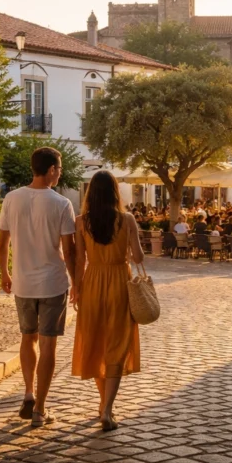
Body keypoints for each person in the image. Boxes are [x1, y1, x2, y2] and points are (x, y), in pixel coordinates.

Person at [0, 147, 75, 427]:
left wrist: (5, 272)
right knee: (48, 345)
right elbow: (69, 249)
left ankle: (28, 393)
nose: (60, 174)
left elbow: (3, 241)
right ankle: (40, 410)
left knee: (27, 338)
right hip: (53, 283)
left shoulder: (12, 198)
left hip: (23, 283)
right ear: (52, 170)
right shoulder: (61, 204)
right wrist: (76, 282)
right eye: (60, 169)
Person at [71, 170, 144, 432]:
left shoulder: (81, 222)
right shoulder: (127, 219)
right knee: (117, 345)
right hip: (119, 285)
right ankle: (108, 409)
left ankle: (103, 404)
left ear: (91, 193)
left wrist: (76, 290)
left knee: (97, 343)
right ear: (115, 193)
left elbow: (80, 261)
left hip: (92, 284)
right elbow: (138, 258)